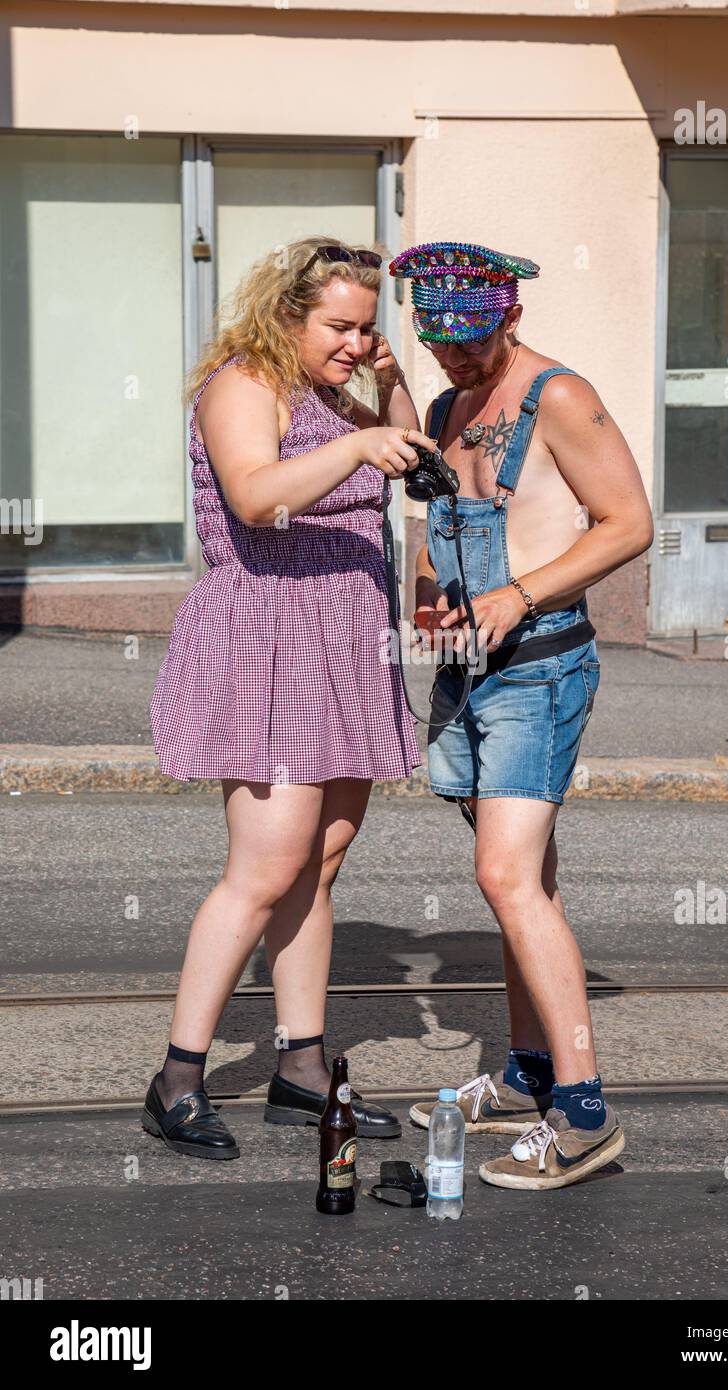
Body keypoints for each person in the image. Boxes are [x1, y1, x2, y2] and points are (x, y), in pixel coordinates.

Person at [144, 236, 437, 1159]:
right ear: (286, 315)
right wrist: (355, 439)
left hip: (346, 637)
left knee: (319, 864)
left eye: (367, 327)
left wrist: (386, 389)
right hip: (270, 636)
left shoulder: (336, 392)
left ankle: (303, 1068)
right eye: (338, 326)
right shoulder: (244, 384)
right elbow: (257, 496)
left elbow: (417, 457)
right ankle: (178, 1077)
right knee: (265, 869)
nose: (355, 341)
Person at [393, 241, 654, 1192]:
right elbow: (432, 527)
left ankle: (584, 1114)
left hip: (539, 671)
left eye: (471, 342)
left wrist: (523, 595)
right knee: (524, 883)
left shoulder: (563, 396)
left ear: (508, 317)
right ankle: (527, 1072)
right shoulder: (443, 405)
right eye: (439, 344)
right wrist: (428, 595)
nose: (455, 361)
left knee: (505, 876)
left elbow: (629, 522)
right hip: (469, 674)